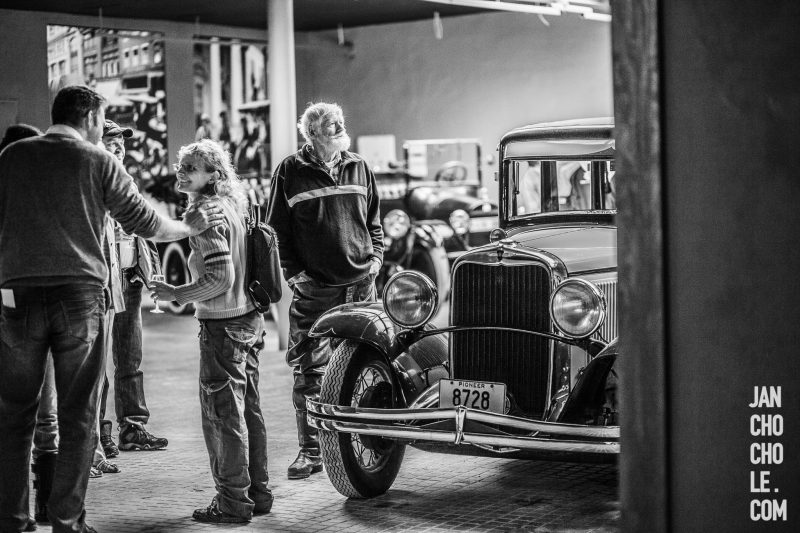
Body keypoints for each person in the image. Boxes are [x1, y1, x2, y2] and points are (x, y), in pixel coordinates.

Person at [0, 85, 222, 533]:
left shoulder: (12, 157)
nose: (104, 130)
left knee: (15, 414)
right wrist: (188, 225)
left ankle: (13, 521)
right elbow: (145, 222)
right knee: (78, 414)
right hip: (78, 297)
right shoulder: (98, 160)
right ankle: (67, 521)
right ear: (88, 118)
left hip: (17, 296)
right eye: (102, 121)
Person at [150, 139, 272, 523]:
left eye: (191, 167)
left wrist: (176, 293)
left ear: (213, 174)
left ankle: (232, 502)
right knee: (248, 410)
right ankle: (257, 493)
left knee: (222, 415)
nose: (181, 172)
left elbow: (220, 278)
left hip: (223, 326)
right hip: (250, 320)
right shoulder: (232, 205)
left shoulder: (203, 214)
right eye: (181, 165)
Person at [266, 102, 383, 480]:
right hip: (315, 290)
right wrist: (295, 274)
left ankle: (364, 442)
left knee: (365, 362)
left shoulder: (359, 166)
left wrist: (376, 258)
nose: (340, 127)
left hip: (361, 285)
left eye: (341, 122)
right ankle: (311, 451)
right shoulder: (290, 171)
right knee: (310, 371)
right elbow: (275, 231)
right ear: (312, 132)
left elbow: (373, 220)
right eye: (332, 124)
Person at [101, 120, 169, 454]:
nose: (117, 149)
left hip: (129, 280)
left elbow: (145, 228)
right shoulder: (92, 183)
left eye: (120, 144)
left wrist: (151, 272)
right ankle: (98, 432)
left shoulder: (128, 184)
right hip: (101, 284)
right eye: (110, 143)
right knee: (95, 363)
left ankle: (133, 426)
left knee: (130, 358)